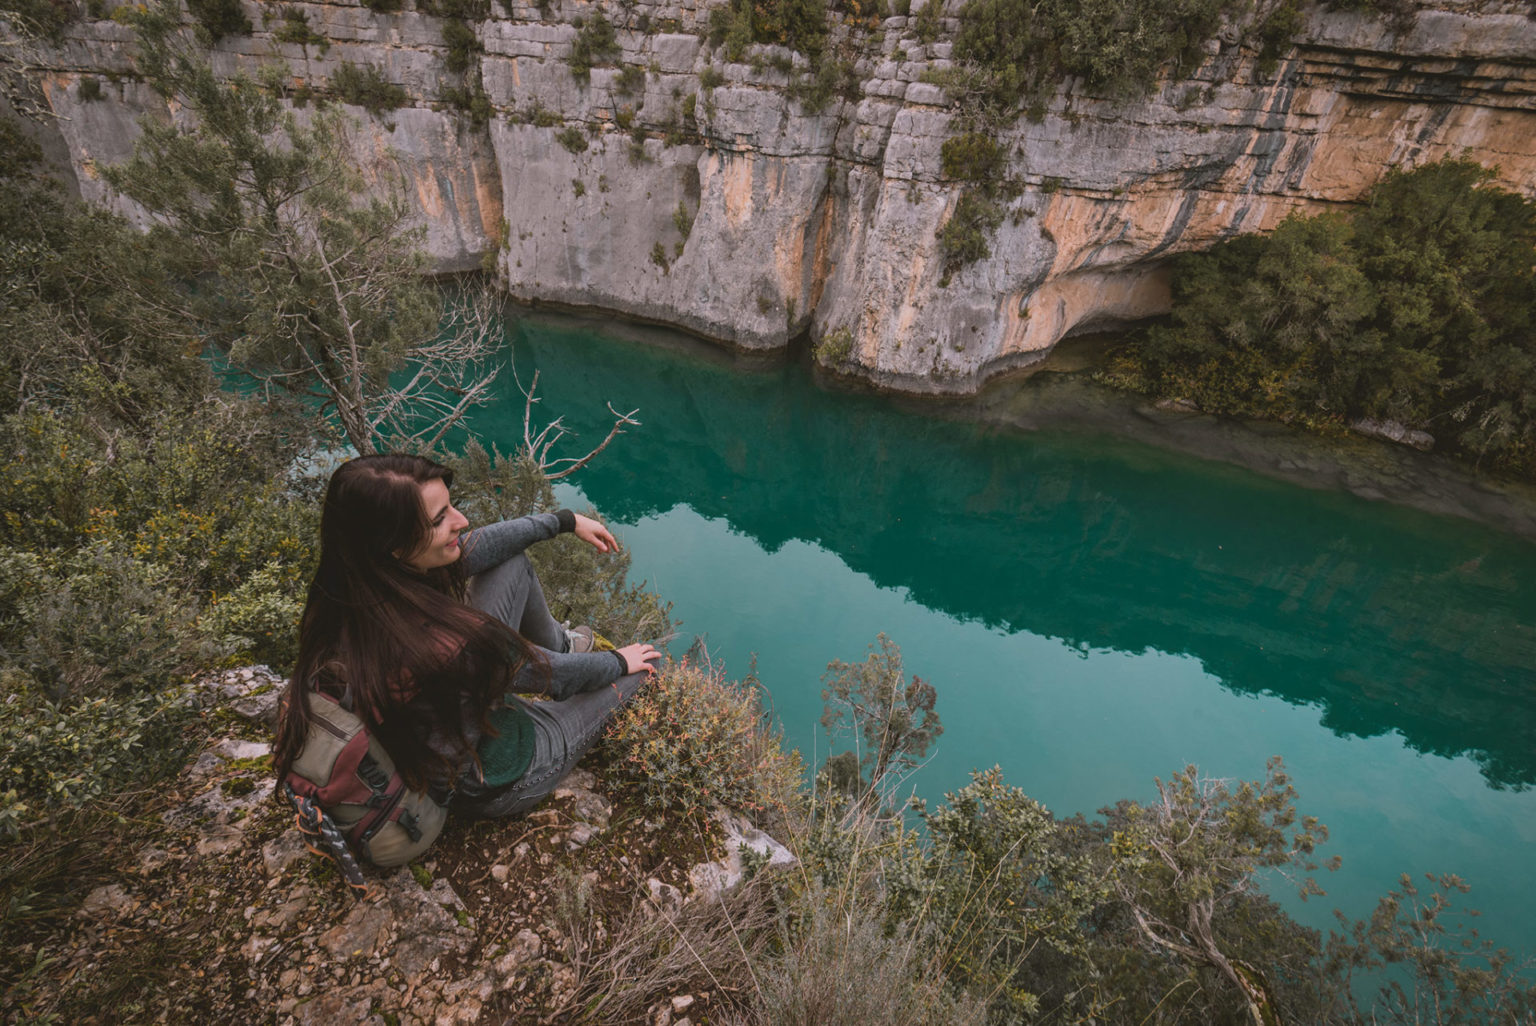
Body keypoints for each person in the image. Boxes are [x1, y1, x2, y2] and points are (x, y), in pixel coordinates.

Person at [273, 453, 660, 825]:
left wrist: (563, 520)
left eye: (451, 505)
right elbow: (557, 677)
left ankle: (563, 641)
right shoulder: (446, 644)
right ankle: (574, 675)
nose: (461, 519)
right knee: (645, 669)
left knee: (510, 560)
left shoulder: (354, 588)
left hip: (441, 727)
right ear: (395, 545)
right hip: (492, 777)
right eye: (441, 518)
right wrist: (619, 662)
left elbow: (480, 546)